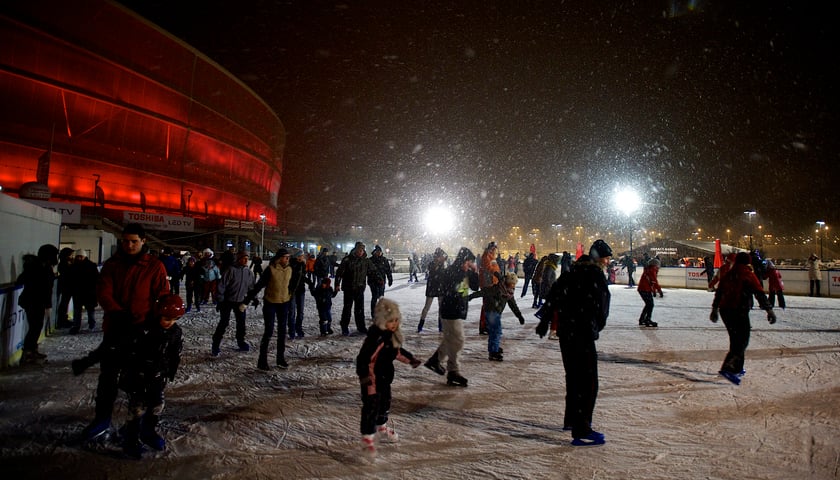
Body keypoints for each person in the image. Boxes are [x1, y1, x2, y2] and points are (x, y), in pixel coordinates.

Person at [76, 223, 170, 440]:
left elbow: (162, 294)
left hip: (143, 332)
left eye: (134, 241)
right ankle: (102, 420)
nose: (129, 245)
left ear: (143, 241)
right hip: (116, 330)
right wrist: (117, 314)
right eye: (125, 241)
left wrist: (163, 316)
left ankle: (144, 427)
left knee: (143, 383)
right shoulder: (112, 265)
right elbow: (103, 292)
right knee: (108, 378)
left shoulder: (154, 266)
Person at [535, 239, 612, 446]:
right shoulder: (594, 275)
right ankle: (582, 429)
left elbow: (554, 295)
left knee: (574, 378)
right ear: (598, 258)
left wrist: (545, 321)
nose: (607, 262)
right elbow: (603, 302)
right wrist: (597, 324)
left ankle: (571, 420)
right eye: (606, 258)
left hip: (567, 333)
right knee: (588, 382)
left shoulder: (571, 273)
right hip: (583, 332)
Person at [118, 293, 184, 457]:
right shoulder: (144, 330)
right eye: (167, 319)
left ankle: (148, 431)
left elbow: (174, 353)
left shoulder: (175, 332)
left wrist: (170, 371)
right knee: (137, 409)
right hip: (138, 377)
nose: (170, 323)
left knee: (157, 405)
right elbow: (129, 353)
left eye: (174, 319)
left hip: (158, 377)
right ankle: (130, 438)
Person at [356, 298, 422, 457]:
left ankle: (382, 428)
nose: (394, 324)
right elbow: (363, 360)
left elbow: (396, 352)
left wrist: (411, 359)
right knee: (371, 408)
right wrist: (366, 379)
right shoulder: (375, 339)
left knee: (385, 403)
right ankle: (367, 439)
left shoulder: (391, 337)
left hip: (385, 378)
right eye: (390, 321)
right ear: (382, 320)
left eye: (396, 320)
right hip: (371, 379)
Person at [710, 252, 776, 385]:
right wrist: (769, 310)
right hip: (738, 309)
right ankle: (728, 368)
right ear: (748, 262)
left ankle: (737, 368)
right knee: (742, 340)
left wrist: (715, 309)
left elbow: (719, 292)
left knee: (736, 339)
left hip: (725, 311)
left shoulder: (728, 274)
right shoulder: (747, 274)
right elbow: (759, 292)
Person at [423, 247, 479, 387]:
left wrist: (474, 272)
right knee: (458, 340)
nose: (470, 264)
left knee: (451, 339)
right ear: (464, 260)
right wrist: (464, 274)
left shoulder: (464, 272)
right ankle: (453, 370)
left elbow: (475, 287)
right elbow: (452, 290)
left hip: (456, 310)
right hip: (450, 310)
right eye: (469, 262)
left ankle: (436, 361)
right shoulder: (452, 272)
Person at [244, 249, 293, 369]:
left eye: (288, 257)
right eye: (285, 257)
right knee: (269, 332)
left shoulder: (289, 269)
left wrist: (290, 296)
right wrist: (247, 300)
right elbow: (259, 285)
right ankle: (262, 361)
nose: (287, 259)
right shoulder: (270, 269)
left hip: (284, 303)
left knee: (282, 332)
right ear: (279, 258)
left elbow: (292, 285)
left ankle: (280, 359)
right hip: (270, 302)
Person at [15, 244, 59, 363]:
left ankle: (32, 350)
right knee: (35, 327)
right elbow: (22, 280)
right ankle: (28, 352)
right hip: (33, 301)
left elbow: (48, 288)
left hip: (39, 302)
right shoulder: (36, 266)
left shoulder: (46, 267)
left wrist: (47, 304)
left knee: (37, 326)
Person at [469, 272, 525, 361]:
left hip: (496, 313)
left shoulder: (508, 292)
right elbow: (483, 292)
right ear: (508, 282)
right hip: (491, 312)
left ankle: (494, 348)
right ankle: (493, 352)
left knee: (494, 332)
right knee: (496, 332)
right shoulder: (497, 289)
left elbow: (513, 305)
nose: (514, 286)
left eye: (515, 284)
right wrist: (470, 297)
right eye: (512, 283)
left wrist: (519, 316)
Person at [212, 251, 255, 356]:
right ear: (238, 259)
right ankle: (215, 345)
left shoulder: (248, 272)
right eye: (243, 258)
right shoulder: (231, 270)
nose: (246, 260)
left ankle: (241, 342)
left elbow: (251, 287)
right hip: (227, 300)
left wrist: (254, 298)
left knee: (241, 323)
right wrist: (220, 300)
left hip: (240, 301)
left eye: (247, 258)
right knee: (224, 322)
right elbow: (222, 285)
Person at [334, 242, 382, 336]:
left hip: (360, 288)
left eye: (362, 250)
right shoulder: (347, 260)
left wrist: (379, 278)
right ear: (355, 250)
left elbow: (373, 271)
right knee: (347, 309)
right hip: (349, 288)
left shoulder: (366, 261)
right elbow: (339, 273)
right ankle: (344, 327)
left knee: (360, 309)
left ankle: (361, 327)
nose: (360, 252)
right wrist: (337, 284)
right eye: (359, 250)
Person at [68, 249, 99, 334]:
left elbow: (96, 279)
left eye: (80, 256)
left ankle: (89, 324)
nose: (79, 258)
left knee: (88, 310)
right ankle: (79, 326)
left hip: (86, 292)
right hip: (83, 292)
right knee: (81, 310)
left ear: (84, 256)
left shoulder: (89, 266)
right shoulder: (90, 265)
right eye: (78, 256)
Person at [418, 248, 447, 333]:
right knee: (427, 307)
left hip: (440, 287)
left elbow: (444, 275)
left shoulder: (443, 264)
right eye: (440, 256)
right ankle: (421, 324)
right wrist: (438, 264)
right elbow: (433, 272)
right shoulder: (432, 264)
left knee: (441, 308)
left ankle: (441, 326)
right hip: (432, 287)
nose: (441, 257)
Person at [637, 258, 664, 328]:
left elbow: (651, 282)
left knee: (648, 304)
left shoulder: (648, 269)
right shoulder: (652, 270)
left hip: (643, 289)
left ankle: (642, 319)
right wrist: (659, 291)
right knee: (650, 304)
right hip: (644, 289)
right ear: (655, 265)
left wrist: (654, 291)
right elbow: (654, 281)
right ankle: (647, 319)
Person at [368, 245, 393, 316]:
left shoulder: (384, 260)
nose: (379, 253)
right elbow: (369, 272)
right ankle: (373, 313)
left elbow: (388, 270)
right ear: (375, 252)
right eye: (377, 251)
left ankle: (381, 312)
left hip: (382, 281)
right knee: (375, 296)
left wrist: (390, 279)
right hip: (373, 282)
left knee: (381, 297)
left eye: (380, 252)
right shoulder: (371, 260)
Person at [55, 247, 75, 328]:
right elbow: (67, 274)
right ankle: (61, 320)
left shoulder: (66, 263)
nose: (72, 256)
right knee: (64, 304)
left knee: (65, 304)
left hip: (68, 286)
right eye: (71, 255)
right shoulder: (64, 264)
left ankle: (64, 319)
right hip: (66, 286)